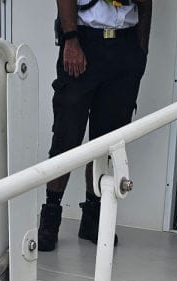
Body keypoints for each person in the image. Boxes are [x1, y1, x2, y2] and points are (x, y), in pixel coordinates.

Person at [38, 0, 151, 252]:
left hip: (125, 47)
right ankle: (50, 217)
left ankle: (92, 218)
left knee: (106, 142)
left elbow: (146, 4)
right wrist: (70, 40)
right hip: (84, 42)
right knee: (67, 137)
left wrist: (140, 51)